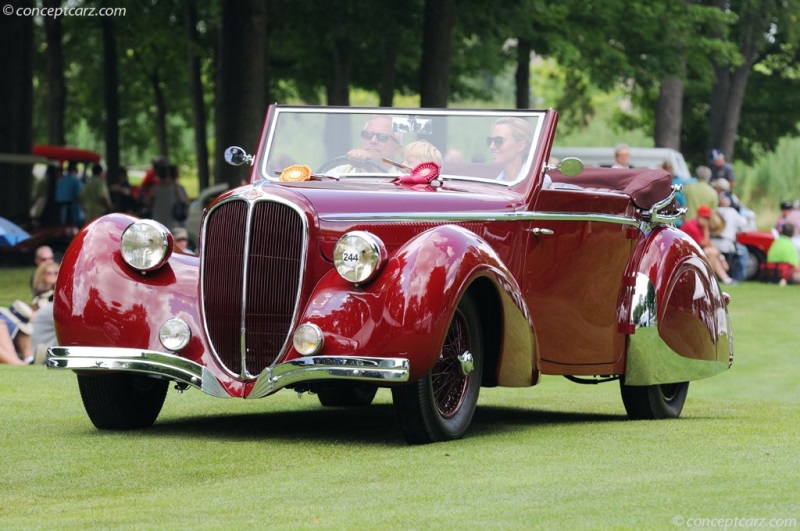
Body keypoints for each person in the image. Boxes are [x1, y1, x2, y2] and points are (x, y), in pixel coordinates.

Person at [681, 205, 735, 285]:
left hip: (693, 252)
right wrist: (706, 229)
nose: (706, 221)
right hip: (684, 253)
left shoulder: (700, 226)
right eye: (704, 218)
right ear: (698, 216)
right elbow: (704, 244)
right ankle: (710, 280)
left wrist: (721, 258)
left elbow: (710, 244)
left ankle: (724, 279)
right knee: (710, 252)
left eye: (707, 218)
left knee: (712, 252)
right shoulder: (692, 227)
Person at [712, 195, 749, 281]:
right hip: (727, 244)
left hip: (713, 243)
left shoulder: (714, 211)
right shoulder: (732, 212)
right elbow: (744, 226)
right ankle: (738, 277)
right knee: (743, 251)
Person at [487, 117, 533, 181]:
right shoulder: (494, 182)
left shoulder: (539, 182)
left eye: (498, 140)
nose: (491, 146)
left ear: (520, 146)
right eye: (490, 140)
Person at [149, 163, 188, 230]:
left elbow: (149, 203)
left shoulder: (154, 189)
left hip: (158, 220)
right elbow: (184, 202)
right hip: (173, 222)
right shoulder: (176, 188)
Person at [54, 160, 84, 226]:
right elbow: (79, 196)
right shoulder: (76, 181)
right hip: (72, 209)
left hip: (60, 208)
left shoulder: (61, 180)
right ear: (76, 170)